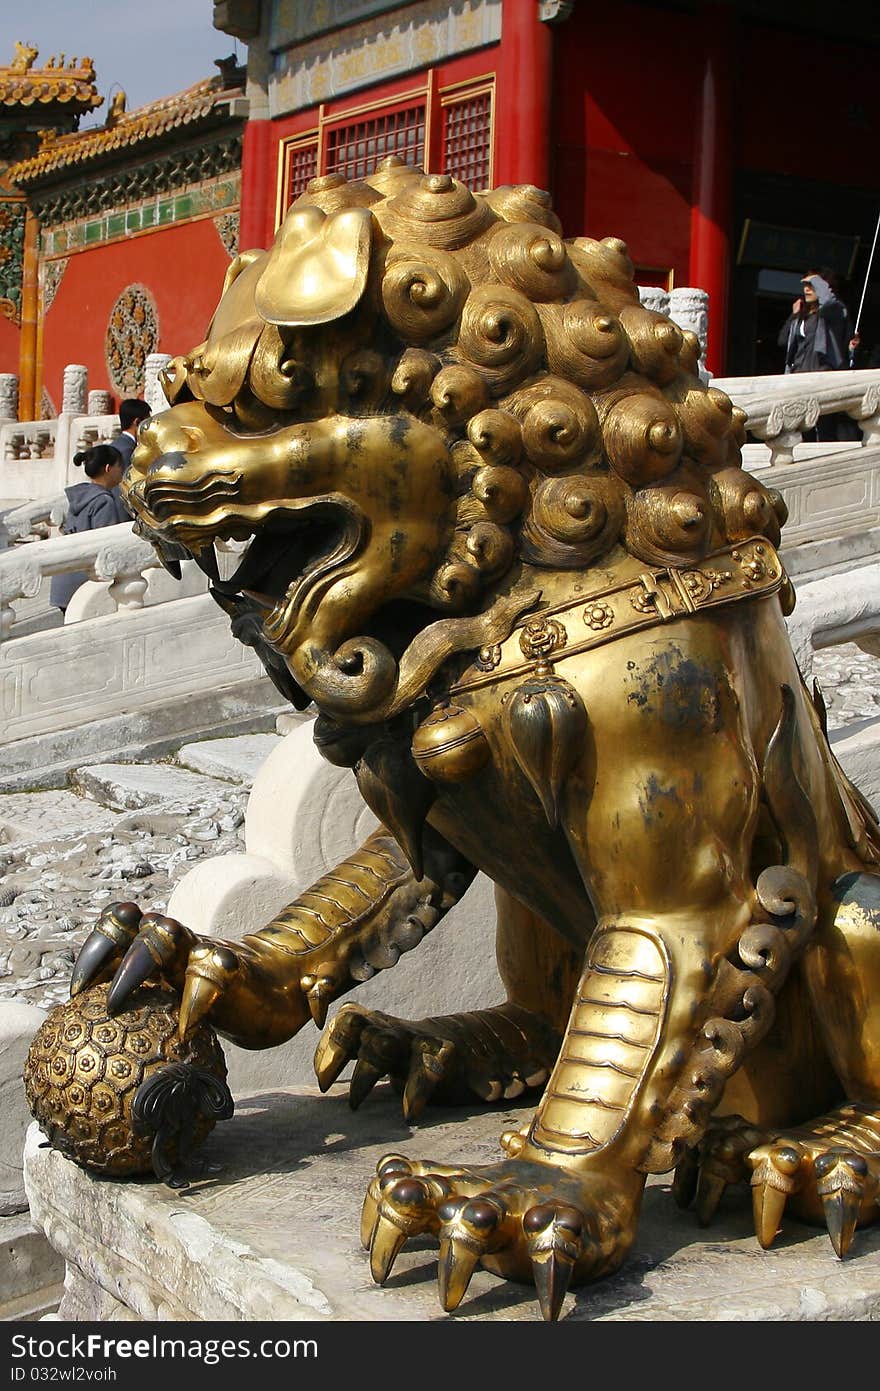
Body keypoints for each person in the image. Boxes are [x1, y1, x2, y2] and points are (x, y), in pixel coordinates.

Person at [777, 268, 859, 441]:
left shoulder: (832, 312)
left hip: (821, 372)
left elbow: (829, 302)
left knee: (824, 423)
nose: (807, 289)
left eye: (812, 285)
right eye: (805, 285)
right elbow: (783, 341)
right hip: (799, 375)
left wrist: (817, 280)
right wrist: (793, 316)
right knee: (801, 425)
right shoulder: (802, 317)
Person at [49, 444, 131, 614]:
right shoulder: (103, 501)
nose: (122, 471)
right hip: (81, 584)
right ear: (108, 468)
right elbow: (107, 547)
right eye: (119, 466)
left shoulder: (81, 496)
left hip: (64, 581)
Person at [110, 398, 151, 467]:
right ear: (137, 422)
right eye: (147, 423)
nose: (149, 427)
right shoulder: (128, 450)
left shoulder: (114, 445)